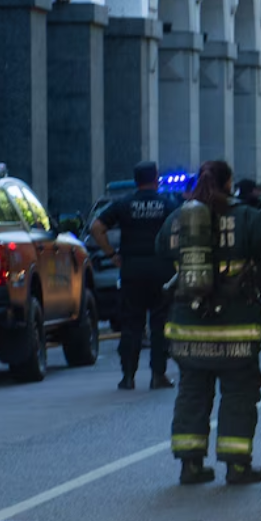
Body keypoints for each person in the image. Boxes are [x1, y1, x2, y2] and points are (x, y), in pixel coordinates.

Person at [159, 161, 261, 485]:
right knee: (239, 394)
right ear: (229, 183)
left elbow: (161, 248)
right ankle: (237, 466)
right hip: (236, 325)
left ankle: (190, 466)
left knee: (192, 394)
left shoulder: (178, 218)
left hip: (189, 326)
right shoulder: (246, 217)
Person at [91, 161, 181, 390]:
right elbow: (180, 230)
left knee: (131, 323)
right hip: (161, 268)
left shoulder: (124, 204)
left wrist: (111, 254)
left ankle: (128, 376)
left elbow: (96, 227)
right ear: (156, 178)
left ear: (136, 180)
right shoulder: (168, 203)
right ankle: (158, 375)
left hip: (131, 269)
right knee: (160, 323)